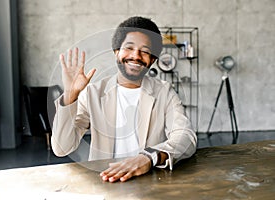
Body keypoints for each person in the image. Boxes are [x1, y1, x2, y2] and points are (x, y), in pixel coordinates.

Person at [51, 16, 197, 183]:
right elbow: (62, 148)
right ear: (116, 52)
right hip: (105, 181)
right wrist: (71, 95)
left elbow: (185, 136)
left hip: (150, 181)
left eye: (145, 51)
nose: (136, 55)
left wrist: (150, 157)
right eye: (129, 47)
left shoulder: (164, 91)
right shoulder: (92, 93)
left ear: (153, 60)